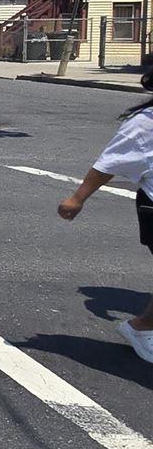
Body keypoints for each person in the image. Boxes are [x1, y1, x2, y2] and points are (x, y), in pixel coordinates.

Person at [58, 54, 153, 363]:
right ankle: (141, 327)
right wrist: (77, 198)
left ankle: (142, 326)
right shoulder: (145, 123)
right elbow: (107, 164)